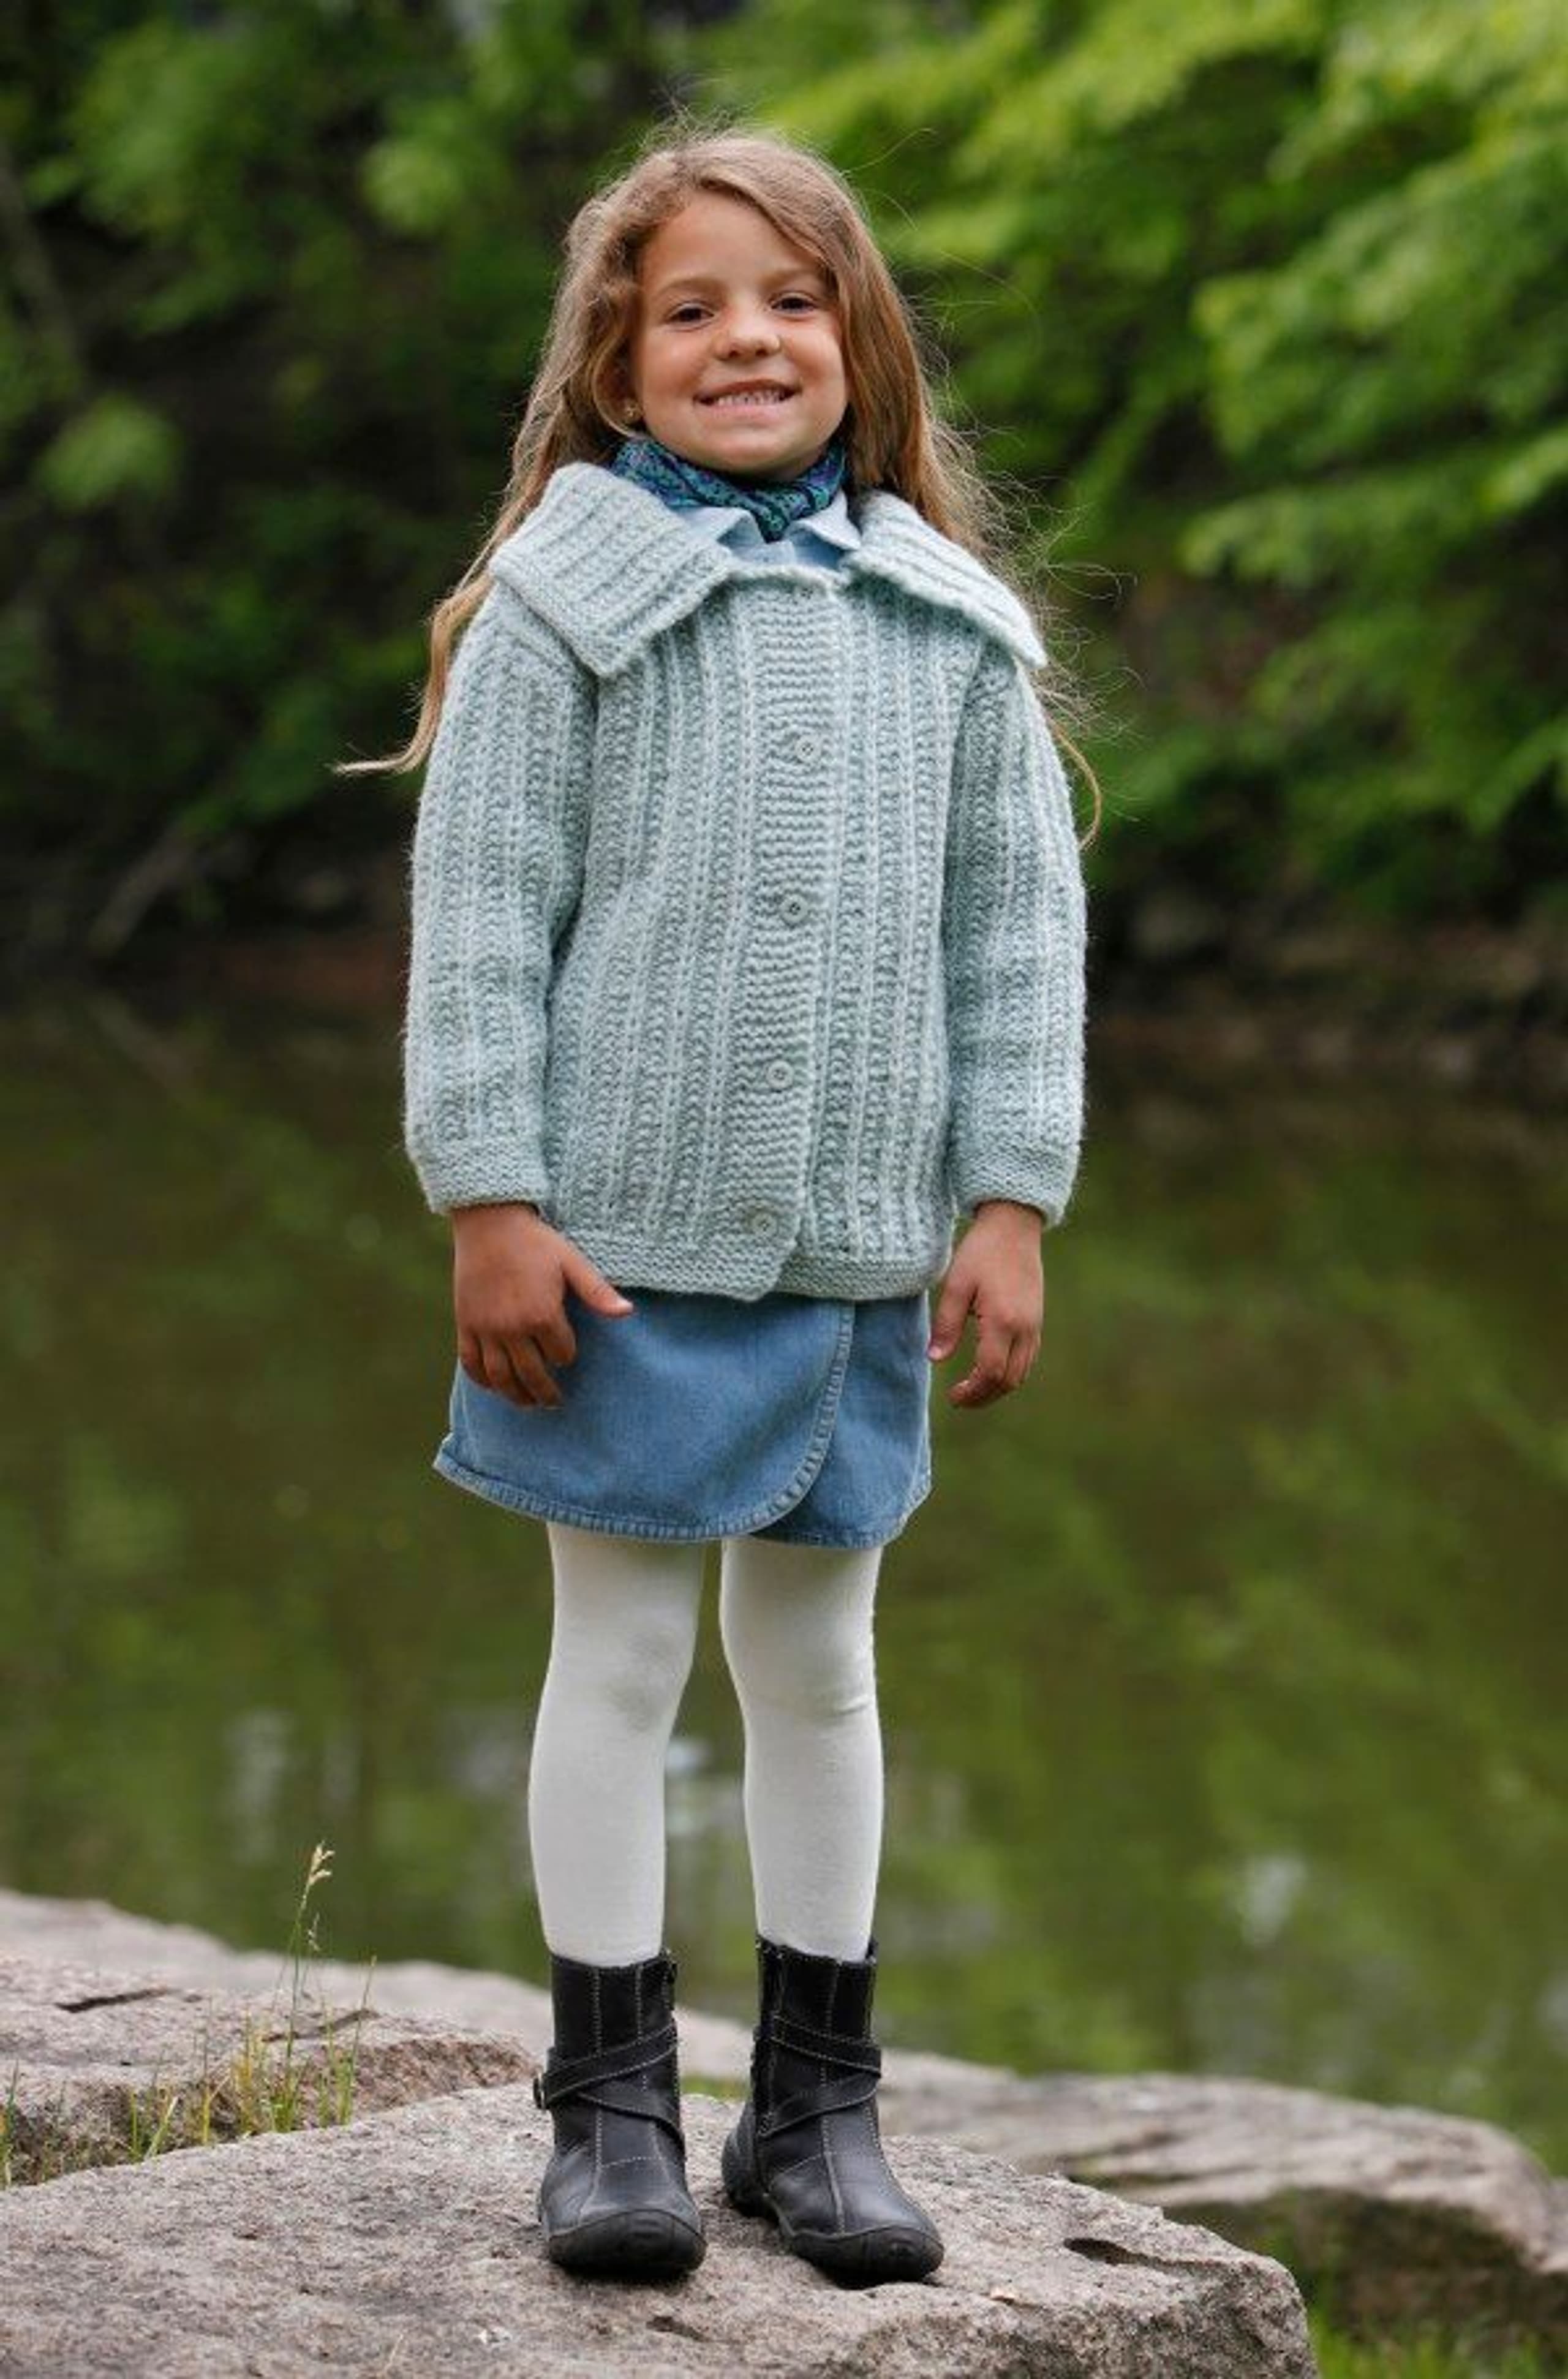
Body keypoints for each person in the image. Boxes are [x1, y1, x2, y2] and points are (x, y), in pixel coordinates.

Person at [358, 121, 1093, 2287]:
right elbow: (482, 916)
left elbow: (1014, 935)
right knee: (612, 1662)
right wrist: (489, 1194)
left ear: (863, 345)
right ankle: (610, 2115)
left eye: (792, 301)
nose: (745, 339)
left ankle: (816, 2108)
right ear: (616, 362)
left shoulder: (949, 628)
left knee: (822, 1665)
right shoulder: (560, 613)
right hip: (612, 1249)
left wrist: (1010, 1196)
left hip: (862, 1247)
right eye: (691, 308)